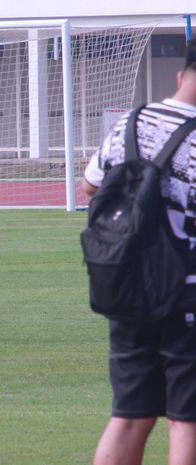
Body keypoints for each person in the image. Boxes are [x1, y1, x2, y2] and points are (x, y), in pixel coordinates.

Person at [83, 39, 196, 465]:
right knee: (187, 420)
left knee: (129, 415)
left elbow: (91, 186)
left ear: (182, 75)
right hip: (185, 290)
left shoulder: (130, 123)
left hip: (127, 287)